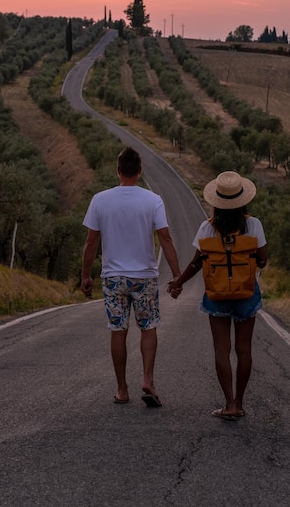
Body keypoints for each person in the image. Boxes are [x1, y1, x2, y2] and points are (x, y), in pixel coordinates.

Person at [81, 146, 181, 408]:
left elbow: (91, 243)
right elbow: (166, 239)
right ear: (140, 171)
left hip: (113, 277)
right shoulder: (153, 200)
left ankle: (122, 389)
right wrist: (178, 275)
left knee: (118, 331)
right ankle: (148, 380)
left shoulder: (100, 200)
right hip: (144, 277)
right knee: (148, 327)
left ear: (118, 171)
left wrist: (86, 276)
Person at [168, 171, 267, 421]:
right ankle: (241, 404)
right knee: (244, 350)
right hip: (246, 293)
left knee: (221, 349)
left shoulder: (206, 227)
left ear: (216, 201)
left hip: (217, 294)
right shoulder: (253, 224)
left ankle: (229, 404)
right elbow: (263, 261)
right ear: (243, 199)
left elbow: (196, 263)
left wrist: (178, 283)